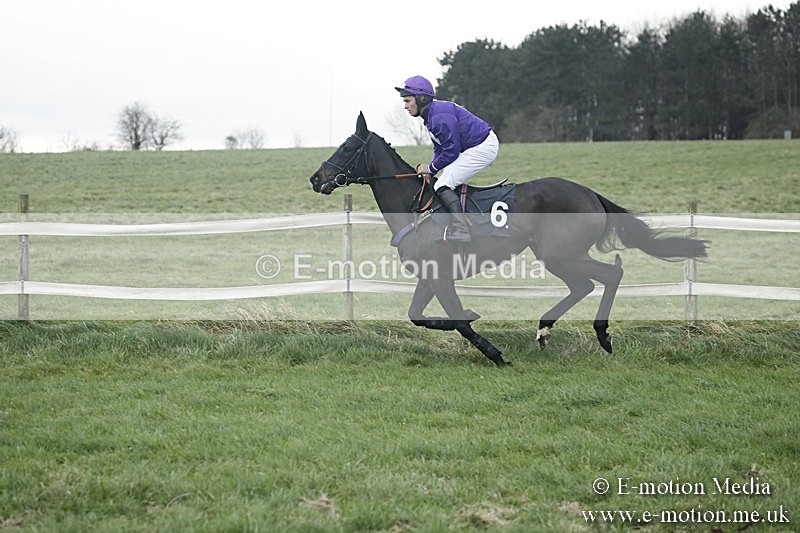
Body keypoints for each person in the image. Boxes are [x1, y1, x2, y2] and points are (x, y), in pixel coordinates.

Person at [395, 75, 499, 243]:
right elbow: (440, 147)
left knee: (443, 184)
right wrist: (432, 168)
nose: (405, 106)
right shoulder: (430, 116)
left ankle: (462, 230)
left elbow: (452, 151)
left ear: (421, 98)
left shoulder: (438, 117)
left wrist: (431, 168)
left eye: (407, 101)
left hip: (482, 147)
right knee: (442, 181)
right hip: (474, 146)